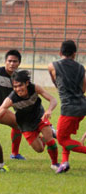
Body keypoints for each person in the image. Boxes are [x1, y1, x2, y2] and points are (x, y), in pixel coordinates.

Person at [0, 70, 58, 171]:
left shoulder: (34, 88)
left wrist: (49, 110)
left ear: (27, 83)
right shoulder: (11, 99)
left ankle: (55, 164)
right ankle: (48, 133)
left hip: (39, 116)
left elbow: (53, 99)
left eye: (20, 85)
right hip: (25, 124)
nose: (18, 89)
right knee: (39, 149)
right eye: (15, 87)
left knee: (50, 140)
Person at [48, 40, 86, 173]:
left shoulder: (52, 66)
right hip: (82, 107)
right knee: (67, 135)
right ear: (75, 54)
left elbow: (56, 83)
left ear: (60, 52)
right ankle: (65, 163)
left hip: (69, 109)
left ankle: (65, 161)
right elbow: (83, 88)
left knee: (62, 139)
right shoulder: (81, 68)